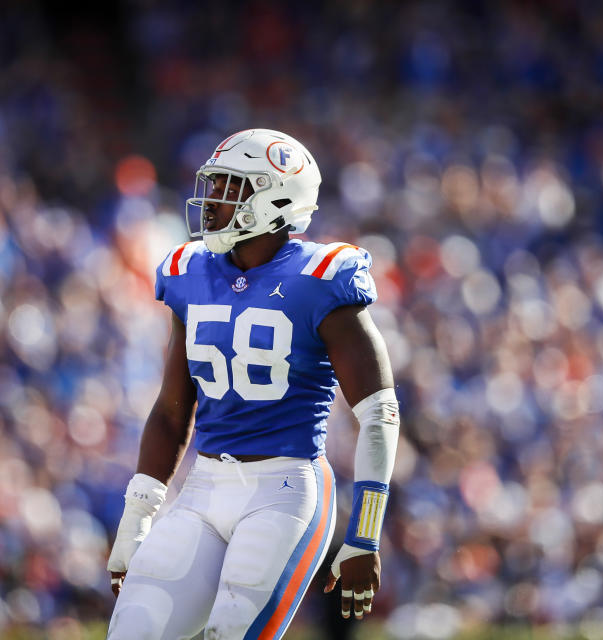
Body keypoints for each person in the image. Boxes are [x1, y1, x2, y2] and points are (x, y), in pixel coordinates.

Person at [106, 129, 400, 639]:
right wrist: (137, 517)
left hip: (285, 490)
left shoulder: (324, 276)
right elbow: (173, 411)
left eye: (228, 186)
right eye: (212, 184)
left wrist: (366, 534)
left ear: (274, 196)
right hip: (204, 487)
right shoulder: (189, 271)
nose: (211, 201)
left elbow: (380, 414)